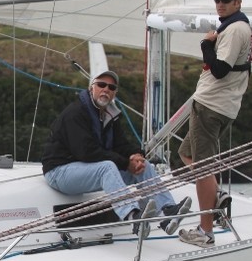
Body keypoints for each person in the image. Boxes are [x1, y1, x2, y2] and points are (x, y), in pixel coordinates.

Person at [42, 70, 191, 236]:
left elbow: (120, 145)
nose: (106, 89)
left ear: (115, 93)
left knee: (145, 166)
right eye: (101, 84)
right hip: (59, 172)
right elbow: (86, 151)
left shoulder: (110, 115)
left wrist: (136, 156)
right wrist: (125, 163)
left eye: (111, 87)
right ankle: (133, 216)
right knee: (107, 167)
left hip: (86, 168)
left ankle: (167, 212)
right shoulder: (75, 113)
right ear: (91, 88)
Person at [178, 0, 252, 247]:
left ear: (238, 3)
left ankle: (205, 231)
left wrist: (205, 43)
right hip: (218, 104)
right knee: (186, 154)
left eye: (226, 0)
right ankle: (217, 195)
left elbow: (220, 69)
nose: (220, 4)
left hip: (212, 105)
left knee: (202, 168)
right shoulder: (239, 27)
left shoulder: (234, 30)